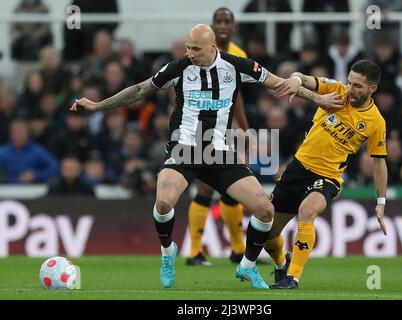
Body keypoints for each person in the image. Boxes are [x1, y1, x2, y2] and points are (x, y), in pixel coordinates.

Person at [70, 24, 341, 289]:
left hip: (218, 153)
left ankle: (246, 265)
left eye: (196, 49)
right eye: (188, 47)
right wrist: (97, 106)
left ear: (212, 46)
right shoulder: (179, 68)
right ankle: (167, 252)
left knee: (265, 209)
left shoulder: (237, 66)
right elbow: (140, 90)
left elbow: (281, 84)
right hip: (184, 149)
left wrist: (319, 99)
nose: (190, 53)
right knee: (164, 202)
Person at [264, 59, 388, 289]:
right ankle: (282, 264)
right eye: (350, 83)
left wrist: (381, 201)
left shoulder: (376, 122)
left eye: (358, 86)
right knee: (268, 233)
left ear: (373, 89)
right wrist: (295, 80)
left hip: (328, 177)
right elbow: (305, 78)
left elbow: (379, 162)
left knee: (307, 211)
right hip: (297, 169)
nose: (351, 89)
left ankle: (293, 277)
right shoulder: (336, 90)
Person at [186, 7, 251, 267]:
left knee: (229, 186)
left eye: (227, 21)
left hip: (225, 126)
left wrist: (244, 129)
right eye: (218, 21)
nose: (223, 25)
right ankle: (194, 251)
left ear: (234, 27)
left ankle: (237, 250)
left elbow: (238, 98)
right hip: (200, 126)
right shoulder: (197, 50)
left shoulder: (239, 55)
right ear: (212, 28)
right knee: (205, 186)